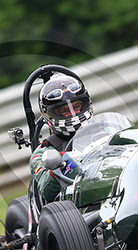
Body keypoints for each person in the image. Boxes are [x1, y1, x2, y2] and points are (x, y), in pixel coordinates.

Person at [30, 71, 93, 203]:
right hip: (74, 206)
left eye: (77, 107)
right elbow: (46, 190)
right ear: (49, 114)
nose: (73, 114)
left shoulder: (104, 129)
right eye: (64, 110)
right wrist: (60, 162)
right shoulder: (43, 152)